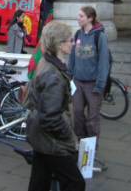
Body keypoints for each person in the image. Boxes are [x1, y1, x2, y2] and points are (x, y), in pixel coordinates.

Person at [26, 21, 85, 191]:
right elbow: (50, 118)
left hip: (40, 136)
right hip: (51, 140)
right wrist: (69, 137)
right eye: (70, 40)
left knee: (40, 182)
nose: (73, 43)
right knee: (75, 183)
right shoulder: (54, 76)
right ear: (60, 44)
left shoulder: (47, 62)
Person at [69, 6, 109, 146]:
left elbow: (104, 62)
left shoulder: (100, 36)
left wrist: (100, 85)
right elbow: (72, 57)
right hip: (78, 82)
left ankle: (91, 147)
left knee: (93, 119)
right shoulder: (77, 34)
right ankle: (81, 142)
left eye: (81, 16)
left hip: (93, 84)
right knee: (78, 114)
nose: (78, 18)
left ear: (90, 18)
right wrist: (69, 77)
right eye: (78, 15)